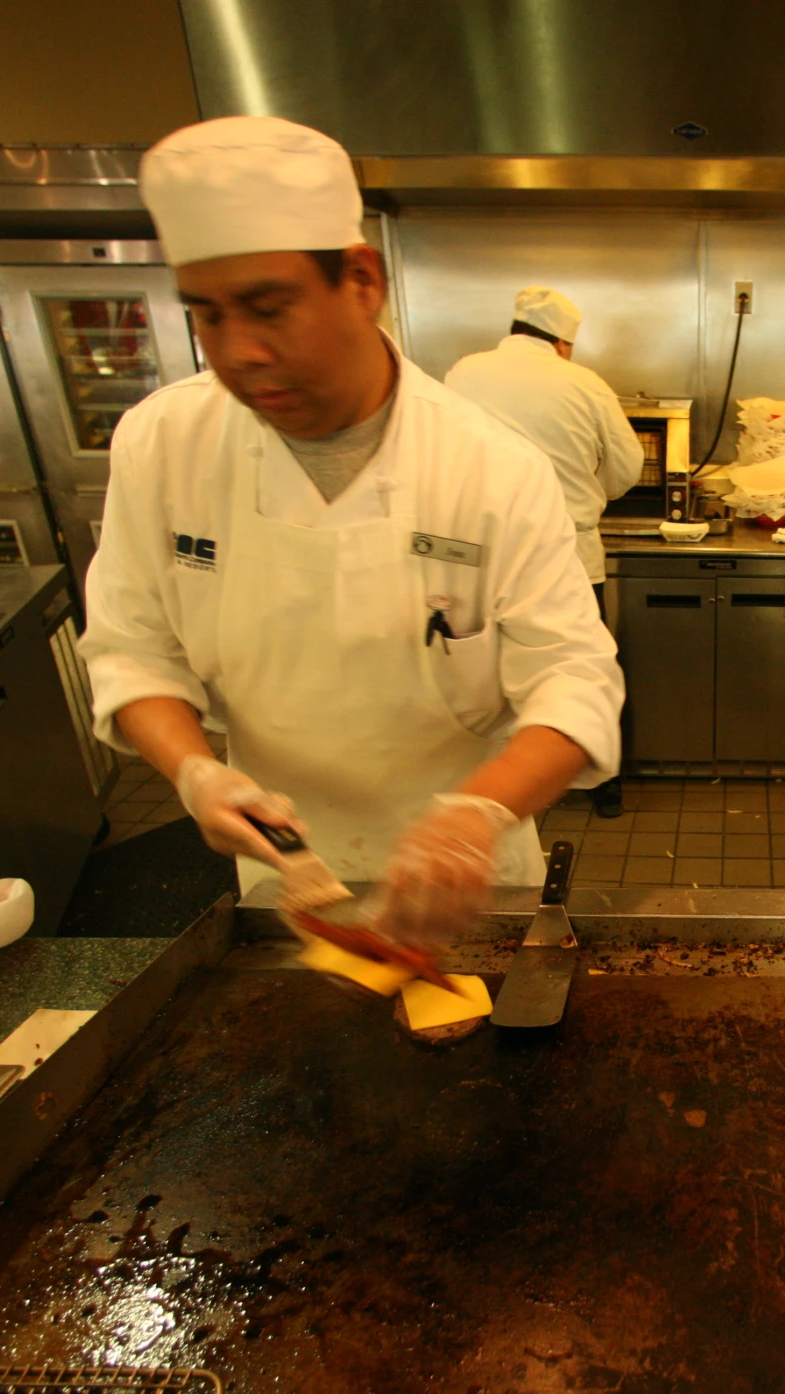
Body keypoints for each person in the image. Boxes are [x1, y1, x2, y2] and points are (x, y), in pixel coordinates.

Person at [79, 117, 623, 949]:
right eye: (208, 315)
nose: (241, 351)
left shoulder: (489, 466)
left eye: (269, 308)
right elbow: (131, 649)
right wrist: (196, 773)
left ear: (362, 279)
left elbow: (574, 678)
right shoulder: (163, 442)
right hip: (283, 875)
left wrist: (476, 815)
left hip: (466, 879)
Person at [444, 288, 643, 816]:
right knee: (580, 667)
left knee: (486, 671)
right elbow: (627, 470)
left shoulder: (462, 373)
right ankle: (603, 787)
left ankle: (502, 786)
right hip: (570, 550)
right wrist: (588, 486)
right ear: (562, 342)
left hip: (473, 552)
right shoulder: (582, 381)